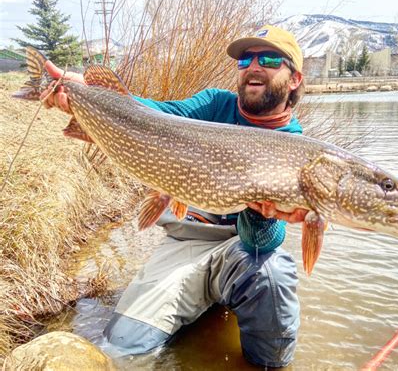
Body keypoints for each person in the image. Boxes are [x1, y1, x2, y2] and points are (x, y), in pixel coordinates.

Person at [40, 25, 307, 367]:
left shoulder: (296, 147)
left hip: (240, 251)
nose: (253, 66)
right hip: (184, 243)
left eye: (268, 59)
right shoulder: (214, 104)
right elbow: (155, 114)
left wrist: (260, 214)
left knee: (272, 273)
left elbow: (261, 244)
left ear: (295, 78)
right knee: (122, 349)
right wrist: (89, 96)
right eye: (245, 60)